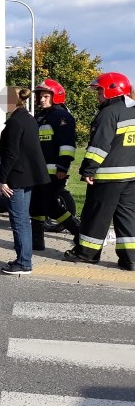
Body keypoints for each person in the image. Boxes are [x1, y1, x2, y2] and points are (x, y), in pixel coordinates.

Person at [65, 72, 135, 271]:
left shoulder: (108, 114)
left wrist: (88, 169)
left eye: (99, 91)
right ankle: (130, 259)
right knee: (127, 216)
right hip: (131, 177)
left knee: (96, 216)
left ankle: (87, 254)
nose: (97, 96)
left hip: (108, 176)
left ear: (110, 91)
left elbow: (99, 146)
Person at [0, 89, 49, 274]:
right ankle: (23, 259)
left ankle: (23, 263)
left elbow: (11, 154)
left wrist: (3, 179)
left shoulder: (15, 122)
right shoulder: (28, 118)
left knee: (19, 220)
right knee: (24, 220)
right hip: (28, 175)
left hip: (16, 177)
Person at [29, 79, 80, 250]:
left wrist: (63, 166)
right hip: (38, 171)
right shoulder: (41, 116)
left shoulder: (62, 116)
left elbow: (67, 145)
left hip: (53, 171)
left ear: (55, 96)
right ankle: (37, 242)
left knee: (50, 206)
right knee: (35, 205)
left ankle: (79, 231)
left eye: (45, 96)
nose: (42, 99)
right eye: (40, 96)